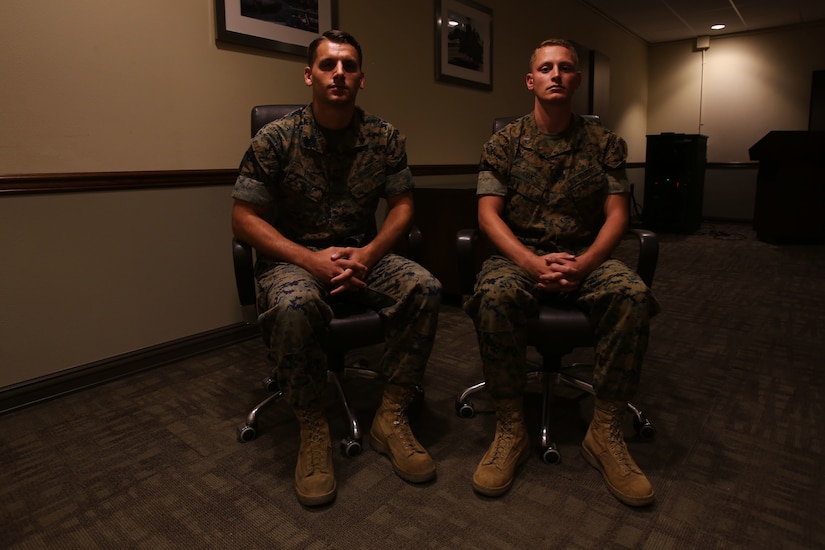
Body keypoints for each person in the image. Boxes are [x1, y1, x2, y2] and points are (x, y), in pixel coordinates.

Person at [231, 30, 441, 507]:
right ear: (310, 75)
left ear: (361, 79)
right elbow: (242, 219)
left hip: (361, 256)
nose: (339, 73)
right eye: (328, 65)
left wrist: (367, 255)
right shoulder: (276, 138)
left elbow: (403, 206)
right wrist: (310, 260)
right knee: (294, 303)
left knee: (425, 288)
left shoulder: (385, 138)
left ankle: (391, 416)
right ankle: (311, 426)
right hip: (294, 260)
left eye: (348, 66)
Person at [464, 38, 660, 506]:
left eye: (566, 68)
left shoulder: (606, 143)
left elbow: (617, 215)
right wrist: (530, 262)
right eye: (546, 68)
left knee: (630, 294)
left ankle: (606, 433)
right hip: (519, 256)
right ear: (531, 80)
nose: (556, 74)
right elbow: (488, 216)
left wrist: (585, 263)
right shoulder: (503, 143)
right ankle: (510, 427)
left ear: (577, 79)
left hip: (583, 256)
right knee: (493, 295)